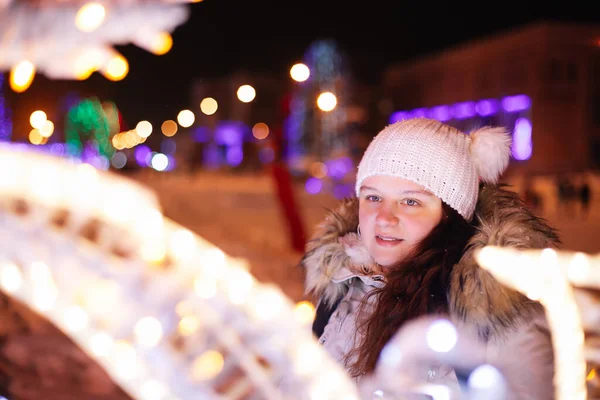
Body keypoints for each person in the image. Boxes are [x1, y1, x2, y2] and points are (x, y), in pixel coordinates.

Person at [300, 118, 559, 398]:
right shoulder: (342, 284)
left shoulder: (503, 309)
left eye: (411, 201)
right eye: (373, 197)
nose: (384, 218)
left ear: (450, 215)